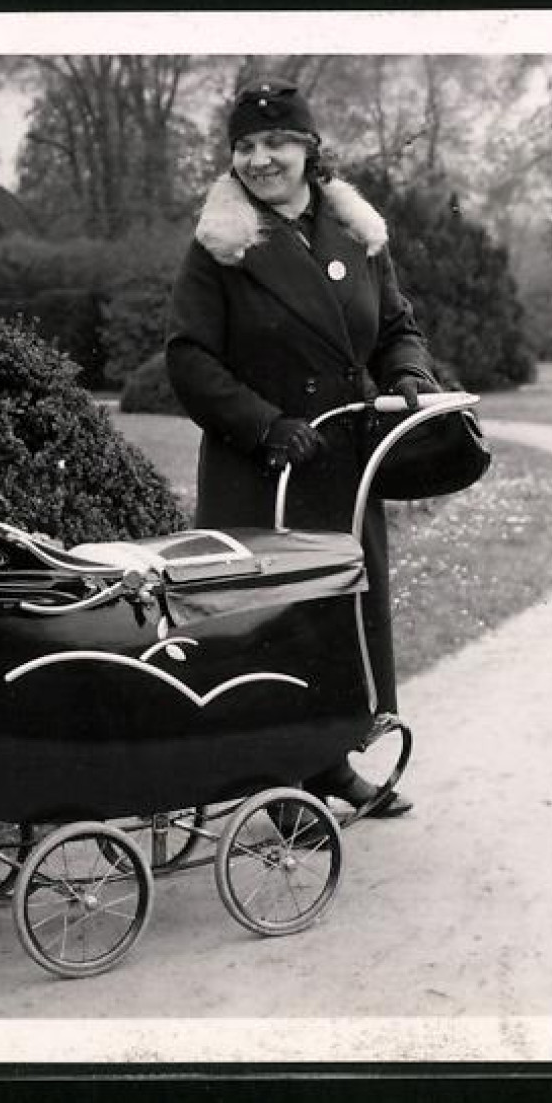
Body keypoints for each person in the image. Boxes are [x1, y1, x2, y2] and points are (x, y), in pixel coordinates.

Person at [165, 77, 440, 817]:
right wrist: (261, 422)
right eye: (246, 146)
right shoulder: (218, 246)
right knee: (274, 625)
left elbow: (394, 326)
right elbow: (189, 358)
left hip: (344, 468)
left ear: (309, 150)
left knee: (342, 615)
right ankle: (278, 785)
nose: (261, 158)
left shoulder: (355, 231)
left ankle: (330, 762)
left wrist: (407, 369)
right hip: (264, 469)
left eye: (277, 142)